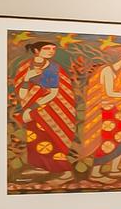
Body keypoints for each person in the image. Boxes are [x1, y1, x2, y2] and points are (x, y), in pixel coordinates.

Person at [9, 40, 76, 178]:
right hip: (30, 106)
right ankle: (42, 166)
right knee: (35, 137)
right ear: (36, 51)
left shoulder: (52, 68)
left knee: (52, 137)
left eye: (53, 49)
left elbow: (52, 93)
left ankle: (66, 171)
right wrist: (27, 79)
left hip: (51, 108)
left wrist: (31, 110)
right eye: (47, 49)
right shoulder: (26, 67)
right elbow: (22, 94)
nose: (51, 51)